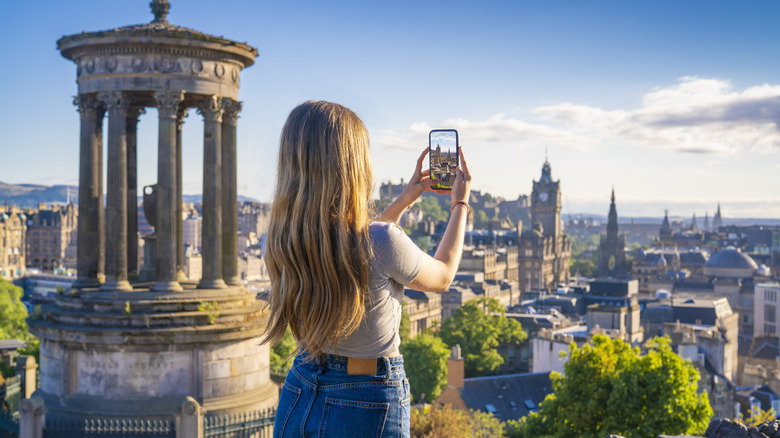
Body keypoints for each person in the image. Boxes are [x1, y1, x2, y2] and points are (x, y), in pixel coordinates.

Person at [263, 101, 471, 438]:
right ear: (354, 165)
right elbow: (443, 276)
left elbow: (356, 249)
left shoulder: (280, 239)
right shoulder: (382, 241)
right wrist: (460, 205)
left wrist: (405, 198)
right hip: (366, 397)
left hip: (300, 385)